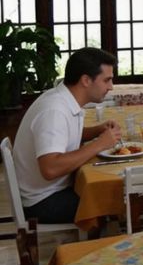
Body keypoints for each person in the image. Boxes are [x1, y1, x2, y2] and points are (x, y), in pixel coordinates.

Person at [12, 47, 123, 224]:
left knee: (110, 191)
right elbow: (50, 168)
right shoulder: (54, 110)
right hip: (42, 200)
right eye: (107, 80)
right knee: (112, 200)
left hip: (49, 190)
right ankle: (101, 247)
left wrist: (98, 131)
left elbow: (64, 138)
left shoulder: (63, 99)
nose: (111, 87)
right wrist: (99, 144)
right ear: (86, 80)